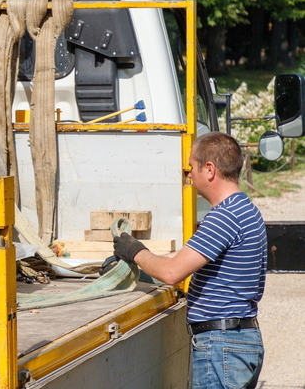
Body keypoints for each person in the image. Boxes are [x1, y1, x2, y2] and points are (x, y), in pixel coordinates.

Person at [113, 131, 266, 388]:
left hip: (221, 346)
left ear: (209, 169)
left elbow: (173, 272)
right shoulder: (245, 210)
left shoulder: (224, 217)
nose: (188, 175)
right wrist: (143, 258)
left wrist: (135, 251)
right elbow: (184, 257)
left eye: (191, 167)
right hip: (236, 342)